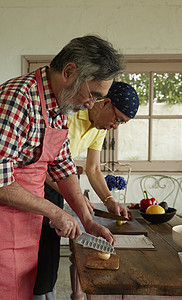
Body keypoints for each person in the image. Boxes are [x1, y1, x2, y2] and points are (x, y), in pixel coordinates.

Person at [0, 35, 125, 300]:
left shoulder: (58, 106)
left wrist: (87, 219)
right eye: (93, 95)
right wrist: (55, 212)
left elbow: (63, 167)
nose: (90, 105)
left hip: (26, 224)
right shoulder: (15, 99)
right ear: (69, 72)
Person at [34, 81, 140, 299]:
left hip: (57, 187)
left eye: (122, 124)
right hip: (36, 185)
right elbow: (42, 166)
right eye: (117, 119)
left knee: (50, 252)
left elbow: (93, 169)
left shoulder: (99, 127)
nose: (116, 126)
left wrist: (109, 200)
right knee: (36, 251)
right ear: (105, 103)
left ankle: (46, 293)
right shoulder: (69, 115)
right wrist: (75, 196)